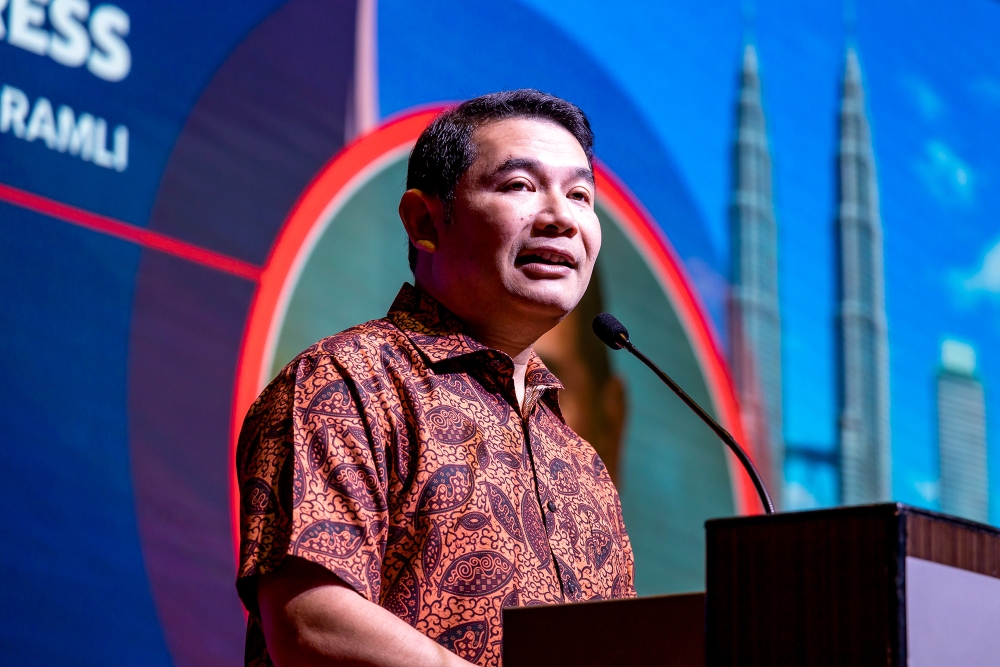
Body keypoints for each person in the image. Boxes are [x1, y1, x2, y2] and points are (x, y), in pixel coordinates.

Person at [236, 89, 636, 667]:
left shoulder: (581, 464)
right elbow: (311, 623)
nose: (560, 218)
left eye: (580, 195)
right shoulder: (348, 382)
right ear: (424, 220)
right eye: (521, 186)